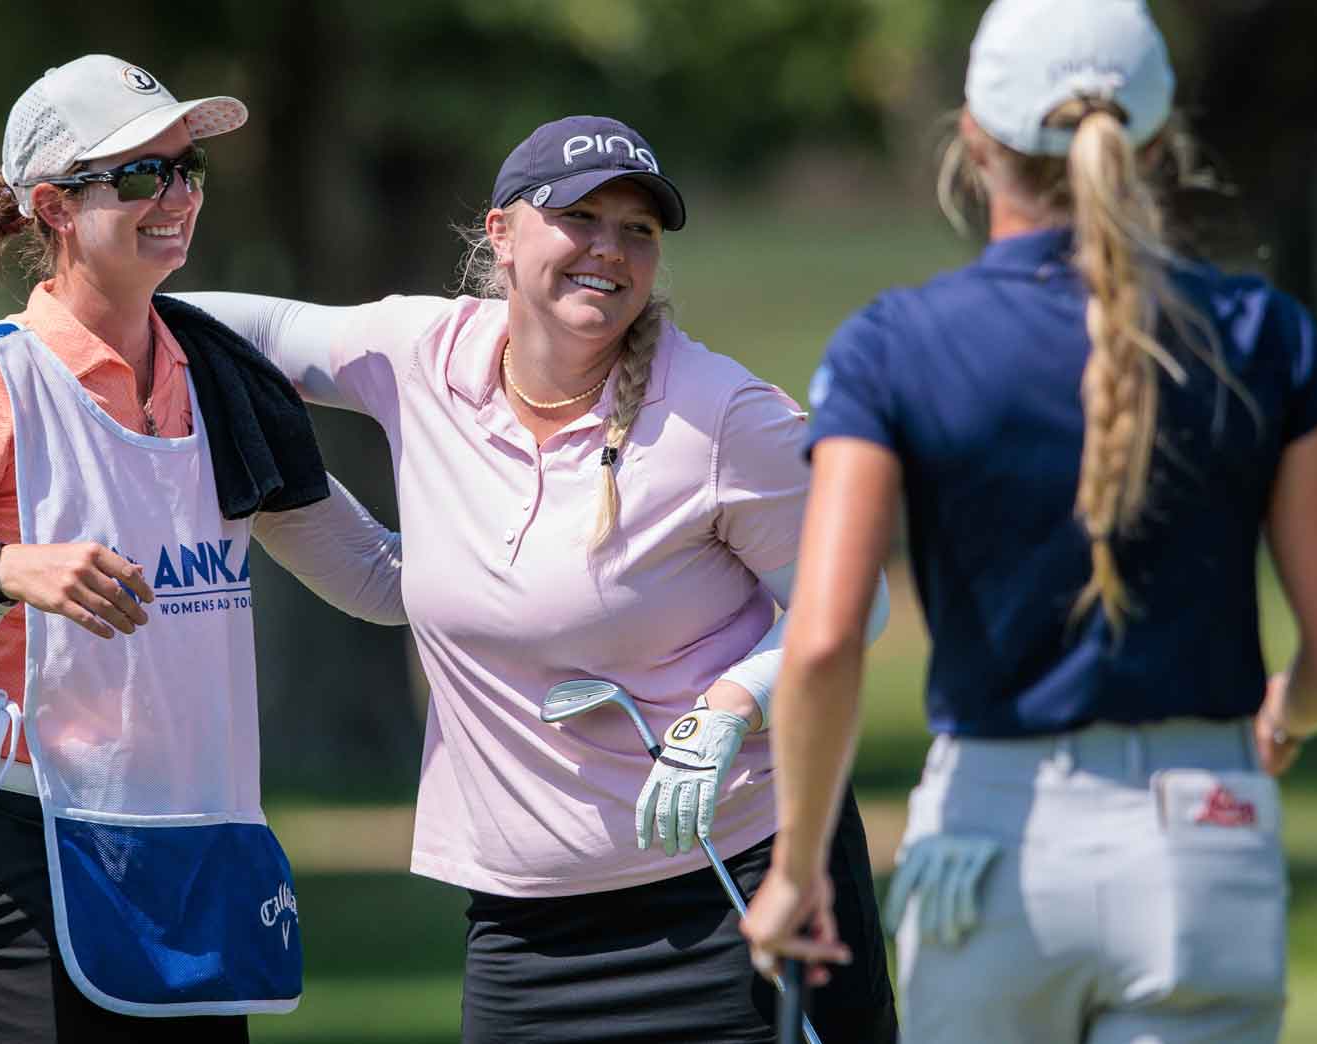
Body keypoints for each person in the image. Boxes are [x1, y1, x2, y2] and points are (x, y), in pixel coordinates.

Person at [179, 115, 898, 1042]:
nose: (610, 249)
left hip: (737, 897)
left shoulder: (721, 416)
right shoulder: (422, 354)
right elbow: (266, 328)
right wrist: (103, 321)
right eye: (580, 217)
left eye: (637, 229)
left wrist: (732, 704)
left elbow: (854, 601)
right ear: (502, 235)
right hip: (525, 933)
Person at [742, 2, 1317, 1042]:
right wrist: (1280, 720)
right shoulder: (1263, 334)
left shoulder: (892, 344)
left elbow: (820, 640)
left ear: (973, 139)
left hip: (991, 847)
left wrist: (797, 863)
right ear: (1158, 142)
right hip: (1201, 837)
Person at [0, 55, 401, 1042]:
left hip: (187, 860)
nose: (175, 197)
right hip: (6, 866)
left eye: (188, 170)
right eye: (139, 176)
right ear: (51, 206)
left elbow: (375, 580)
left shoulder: (223, 380)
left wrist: (553, 538)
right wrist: (3, 570)